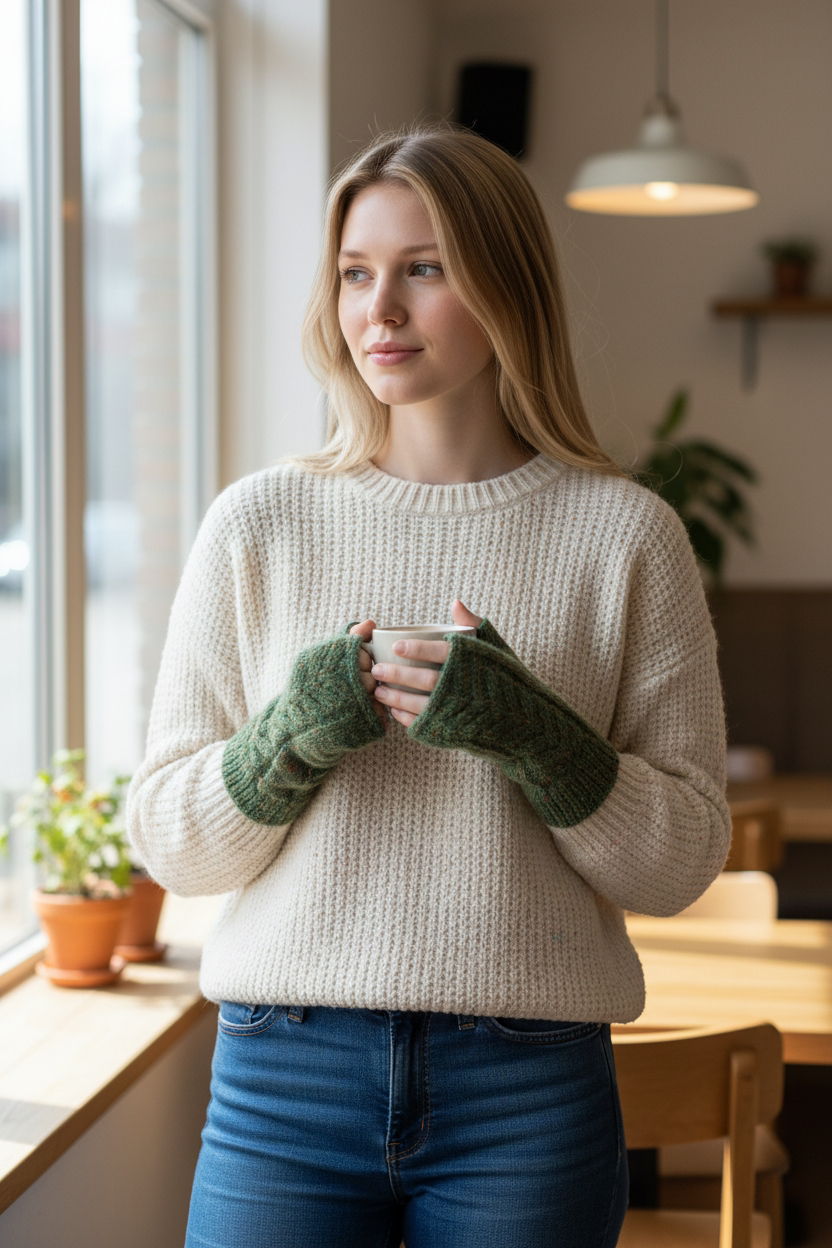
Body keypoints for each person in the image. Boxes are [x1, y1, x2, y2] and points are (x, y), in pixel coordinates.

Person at [127, 124, 731, 1248]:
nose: (379, 311)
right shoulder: (259, 525)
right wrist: (287, 739)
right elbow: (171, 842)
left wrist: (541, 740)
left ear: (506, 285)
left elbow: (683, 859)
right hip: (282, 1078)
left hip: (528, 1089)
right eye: (356, 274)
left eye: (423, 268)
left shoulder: (623, 537)